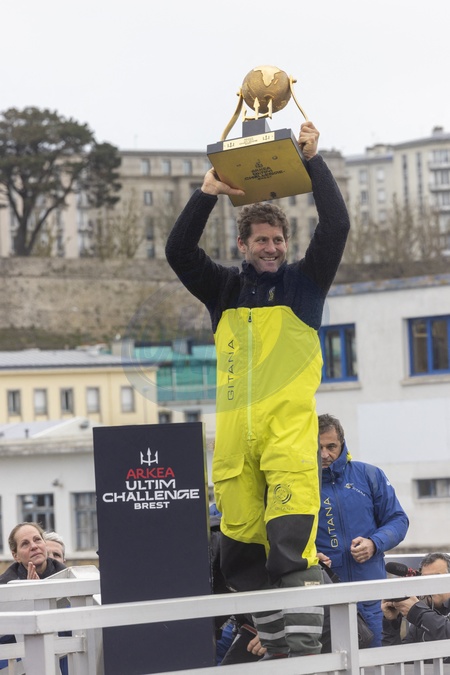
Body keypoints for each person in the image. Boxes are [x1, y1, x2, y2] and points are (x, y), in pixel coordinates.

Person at [166, 121, 350, 659]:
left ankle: (306, 660)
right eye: (261, 241)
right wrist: (206, 193)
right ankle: (277, 657)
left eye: (278, 240)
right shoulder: (222, 288)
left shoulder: (304, 284)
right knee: (242, 558)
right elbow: (179, 251)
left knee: (291, 548)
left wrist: (313, 162)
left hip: (286, 436)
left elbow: (336, 226)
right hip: (234, 445)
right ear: (242, 245)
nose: (271, 248)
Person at [315, 414, 409, 647]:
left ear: (342, 443)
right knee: (332, 664)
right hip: (326, 602)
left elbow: (398, 520)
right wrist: (310, 557)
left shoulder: (369, 475)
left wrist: (374, 543)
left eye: (331, 446)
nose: (325, 454)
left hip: (372, 598)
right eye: (318, 447)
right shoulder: (301, 484)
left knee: (377, 662)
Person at [0, 523, 67, 672]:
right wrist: (28, 600)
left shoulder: (71, 578)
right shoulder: (4, 587)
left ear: (44, 544)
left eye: (37, 540)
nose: (34, 546)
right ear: (15, 556)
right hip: (18, 663)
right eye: (25, 544)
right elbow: (4, 637)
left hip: (67, 660)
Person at [382, 551, 450, 658]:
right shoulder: (424, 614)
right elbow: (398, 660)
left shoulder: (421, 614)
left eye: (436, 578)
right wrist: (392, 623)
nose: (430, 585)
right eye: (425, 579)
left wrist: (417, 612)